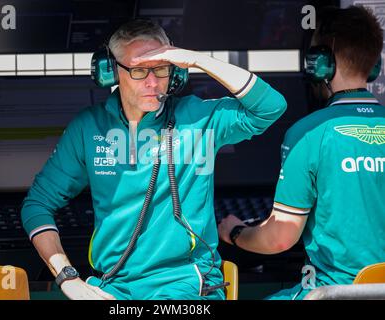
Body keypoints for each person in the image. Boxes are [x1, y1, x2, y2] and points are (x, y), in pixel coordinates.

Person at [21, 19, 287, 300]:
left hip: (186, 286)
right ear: (112, 72)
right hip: (111, 287)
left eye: (160, 68)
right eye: (138, 70)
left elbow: (270, 108)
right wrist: (68, 278)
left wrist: (198, 61)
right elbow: (37, 205)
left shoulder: (199, 118)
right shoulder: (89, 128)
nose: (151, 82)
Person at [218, 5, 385, 300]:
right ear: (374, 66)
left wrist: (235, 232)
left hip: (333, 292)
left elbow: (279, 239)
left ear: (321, 64)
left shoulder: (309, 133)